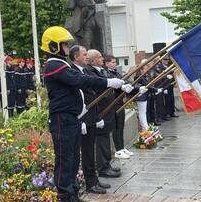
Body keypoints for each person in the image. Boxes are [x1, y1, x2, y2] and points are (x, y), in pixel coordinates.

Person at [41, 26, 126, 202]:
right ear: (54, 46)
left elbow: (80, 81)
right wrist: (107, 82)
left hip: (71, 118)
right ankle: (65, 196)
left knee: (72, 158)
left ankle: (72, 192)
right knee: (65, 159)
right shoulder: (53, 64)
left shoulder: (60, 64)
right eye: (64, 44)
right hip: (61, 118)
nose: (67, 47)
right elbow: (79, 80)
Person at [69, 45, 110, 194]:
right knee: (85, 153)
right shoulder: (72, 72)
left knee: (90, 151)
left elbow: (93, 93)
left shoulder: (85, 70)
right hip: (82, 118)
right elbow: (77, 99)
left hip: (91, 116)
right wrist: (81, 120)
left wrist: (97, 117)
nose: (87, 56)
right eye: (84, 54)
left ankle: (94, 180)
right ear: (76, 57)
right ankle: (90, 184)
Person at [103, 54, 134, 160]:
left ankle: (122, 147)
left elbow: (125, 81)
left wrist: (130, 86)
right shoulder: (106, 73)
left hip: (120, 102)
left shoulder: (116, 72)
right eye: (112, 62)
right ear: (106, 63)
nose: (115, 63)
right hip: (113, 102)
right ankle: (118, 150)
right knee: (116, 127)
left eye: (115, 62)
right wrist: (121, 86)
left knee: (121, 125)